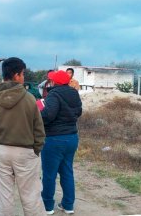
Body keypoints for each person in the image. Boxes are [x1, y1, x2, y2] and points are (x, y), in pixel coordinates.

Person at [0, 57, 46, 216]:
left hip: (0, 152)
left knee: (4, 197)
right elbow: (38, 130)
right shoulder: (29, 99)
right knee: (31, 196)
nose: (24, 77)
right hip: (26, 152)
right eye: (23, 73)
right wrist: (36, 150)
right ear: (16, 75)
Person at [40, 70, 82, 215]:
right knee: (67, 172)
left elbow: (48, 115)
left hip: (54, 138)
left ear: (55, 82)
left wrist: (39, 112)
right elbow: (79, 112)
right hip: (72, 137)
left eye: (50, 80)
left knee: (49, 174)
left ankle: (47, 206)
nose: (49, 81)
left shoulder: (54, 94)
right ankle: (68, 205)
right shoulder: (74, 93)